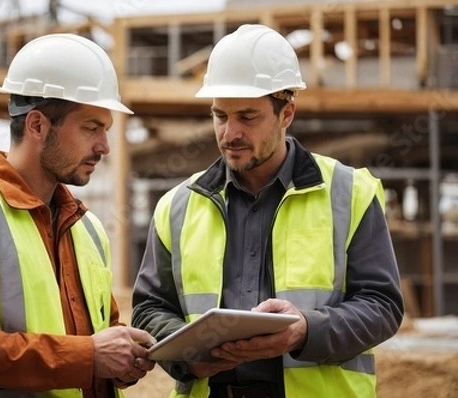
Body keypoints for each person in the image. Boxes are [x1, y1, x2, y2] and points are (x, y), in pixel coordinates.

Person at [131, 24, 404, 398]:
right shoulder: (177, 206)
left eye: (247, 116)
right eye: (220, 115)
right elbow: (150, 307)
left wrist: (306, 330)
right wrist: (187, 358)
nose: (230, 133)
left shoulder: (349, 193)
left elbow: (383, 306)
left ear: (286, 113)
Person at [0, 33, 155, 398]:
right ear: (37, 125)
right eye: (91, 128)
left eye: (106, 130)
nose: (104, 146)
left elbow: (100, 337)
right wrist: (90, 356)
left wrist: (123, 359)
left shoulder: (87, 228)